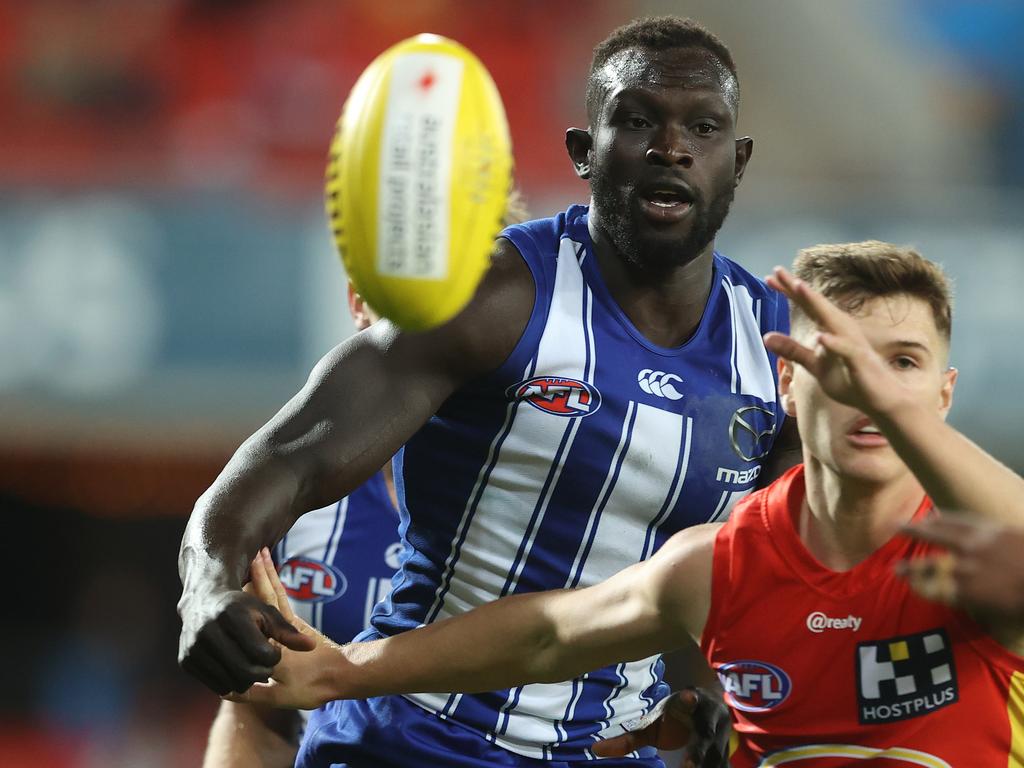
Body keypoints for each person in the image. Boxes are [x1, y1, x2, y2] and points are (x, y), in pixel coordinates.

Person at [178, 16, 800, 766]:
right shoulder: (498, 296)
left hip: (613, 750)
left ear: (736, 161)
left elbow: (755, 583)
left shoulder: (775, 351)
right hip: (416, 738)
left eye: (702, 127)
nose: (672, 147)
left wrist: (708, 702)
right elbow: (290, 457)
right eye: (637, 121)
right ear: (582, 152)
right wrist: (208, 584)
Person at [229, 241, 1024, 766]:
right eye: (837, 359)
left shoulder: (980, 566)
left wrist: (893, 405)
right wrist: (339, 672)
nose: (865, 388)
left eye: (903, 363)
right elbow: (548, 634)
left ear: (943, 395)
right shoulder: (722, 564)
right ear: (784, 380)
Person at [201, 288, 403, 768]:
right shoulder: (296, 503)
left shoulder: (550, 499)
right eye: (401, 289)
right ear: (358, 302)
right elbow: (258, 718)